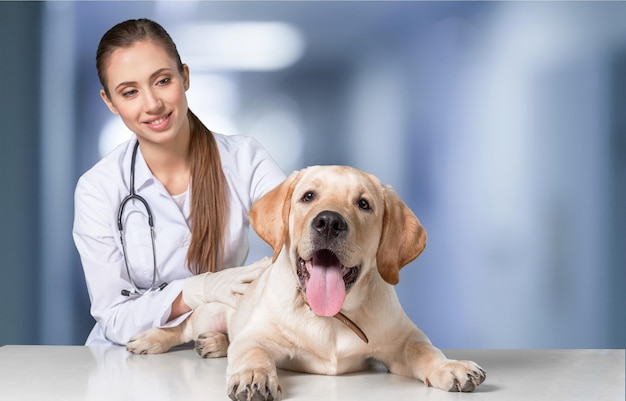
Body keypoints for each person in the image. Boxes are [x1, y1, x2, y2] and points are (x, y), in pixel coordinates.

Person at [73, 18, 285, 346]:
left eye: (162, 80)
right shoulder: (98, 188)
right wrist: (197, 291)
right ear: (110, 102)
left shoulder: (244, 160)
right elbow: (114, 317)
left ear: (184, 77)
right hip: (125, 362)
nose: (152, 104)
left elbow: (298, 236)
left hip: (218, 350)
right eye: (129, 92)